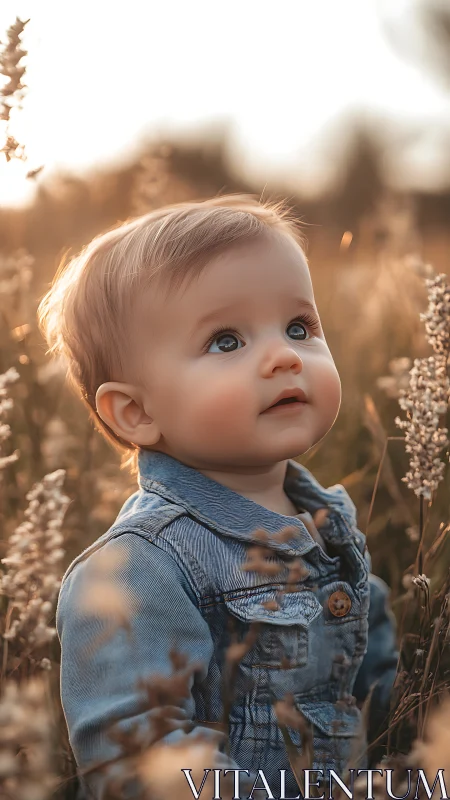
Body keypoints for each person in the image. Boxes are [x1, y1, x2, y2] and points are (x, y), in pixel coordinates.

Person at [37, 193, 398, 799]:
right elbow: (137, 761)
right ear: (137, 412)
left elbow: (372, 672)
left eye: (299, 327)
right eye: (227, 341)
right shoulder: (138, 568)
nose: (285, 356)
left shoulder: (326, 520)